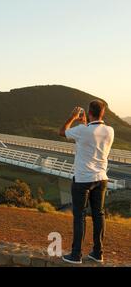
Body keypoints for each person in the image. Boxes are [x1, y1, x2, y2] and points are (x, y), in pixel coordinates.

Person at [59, 100, 114, 264]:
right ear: (102, 113)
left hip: (83, 180)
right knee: (99, 215)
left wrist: (72, 118)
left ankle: (76, 255)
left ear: (89, 112)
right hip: (101, 178)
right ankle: (98, 253)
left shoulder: (82, 130)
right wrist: (85, 123)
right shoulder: (110, 130)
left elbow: (62, 132)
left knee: (79, 217)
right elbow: (94, 136)